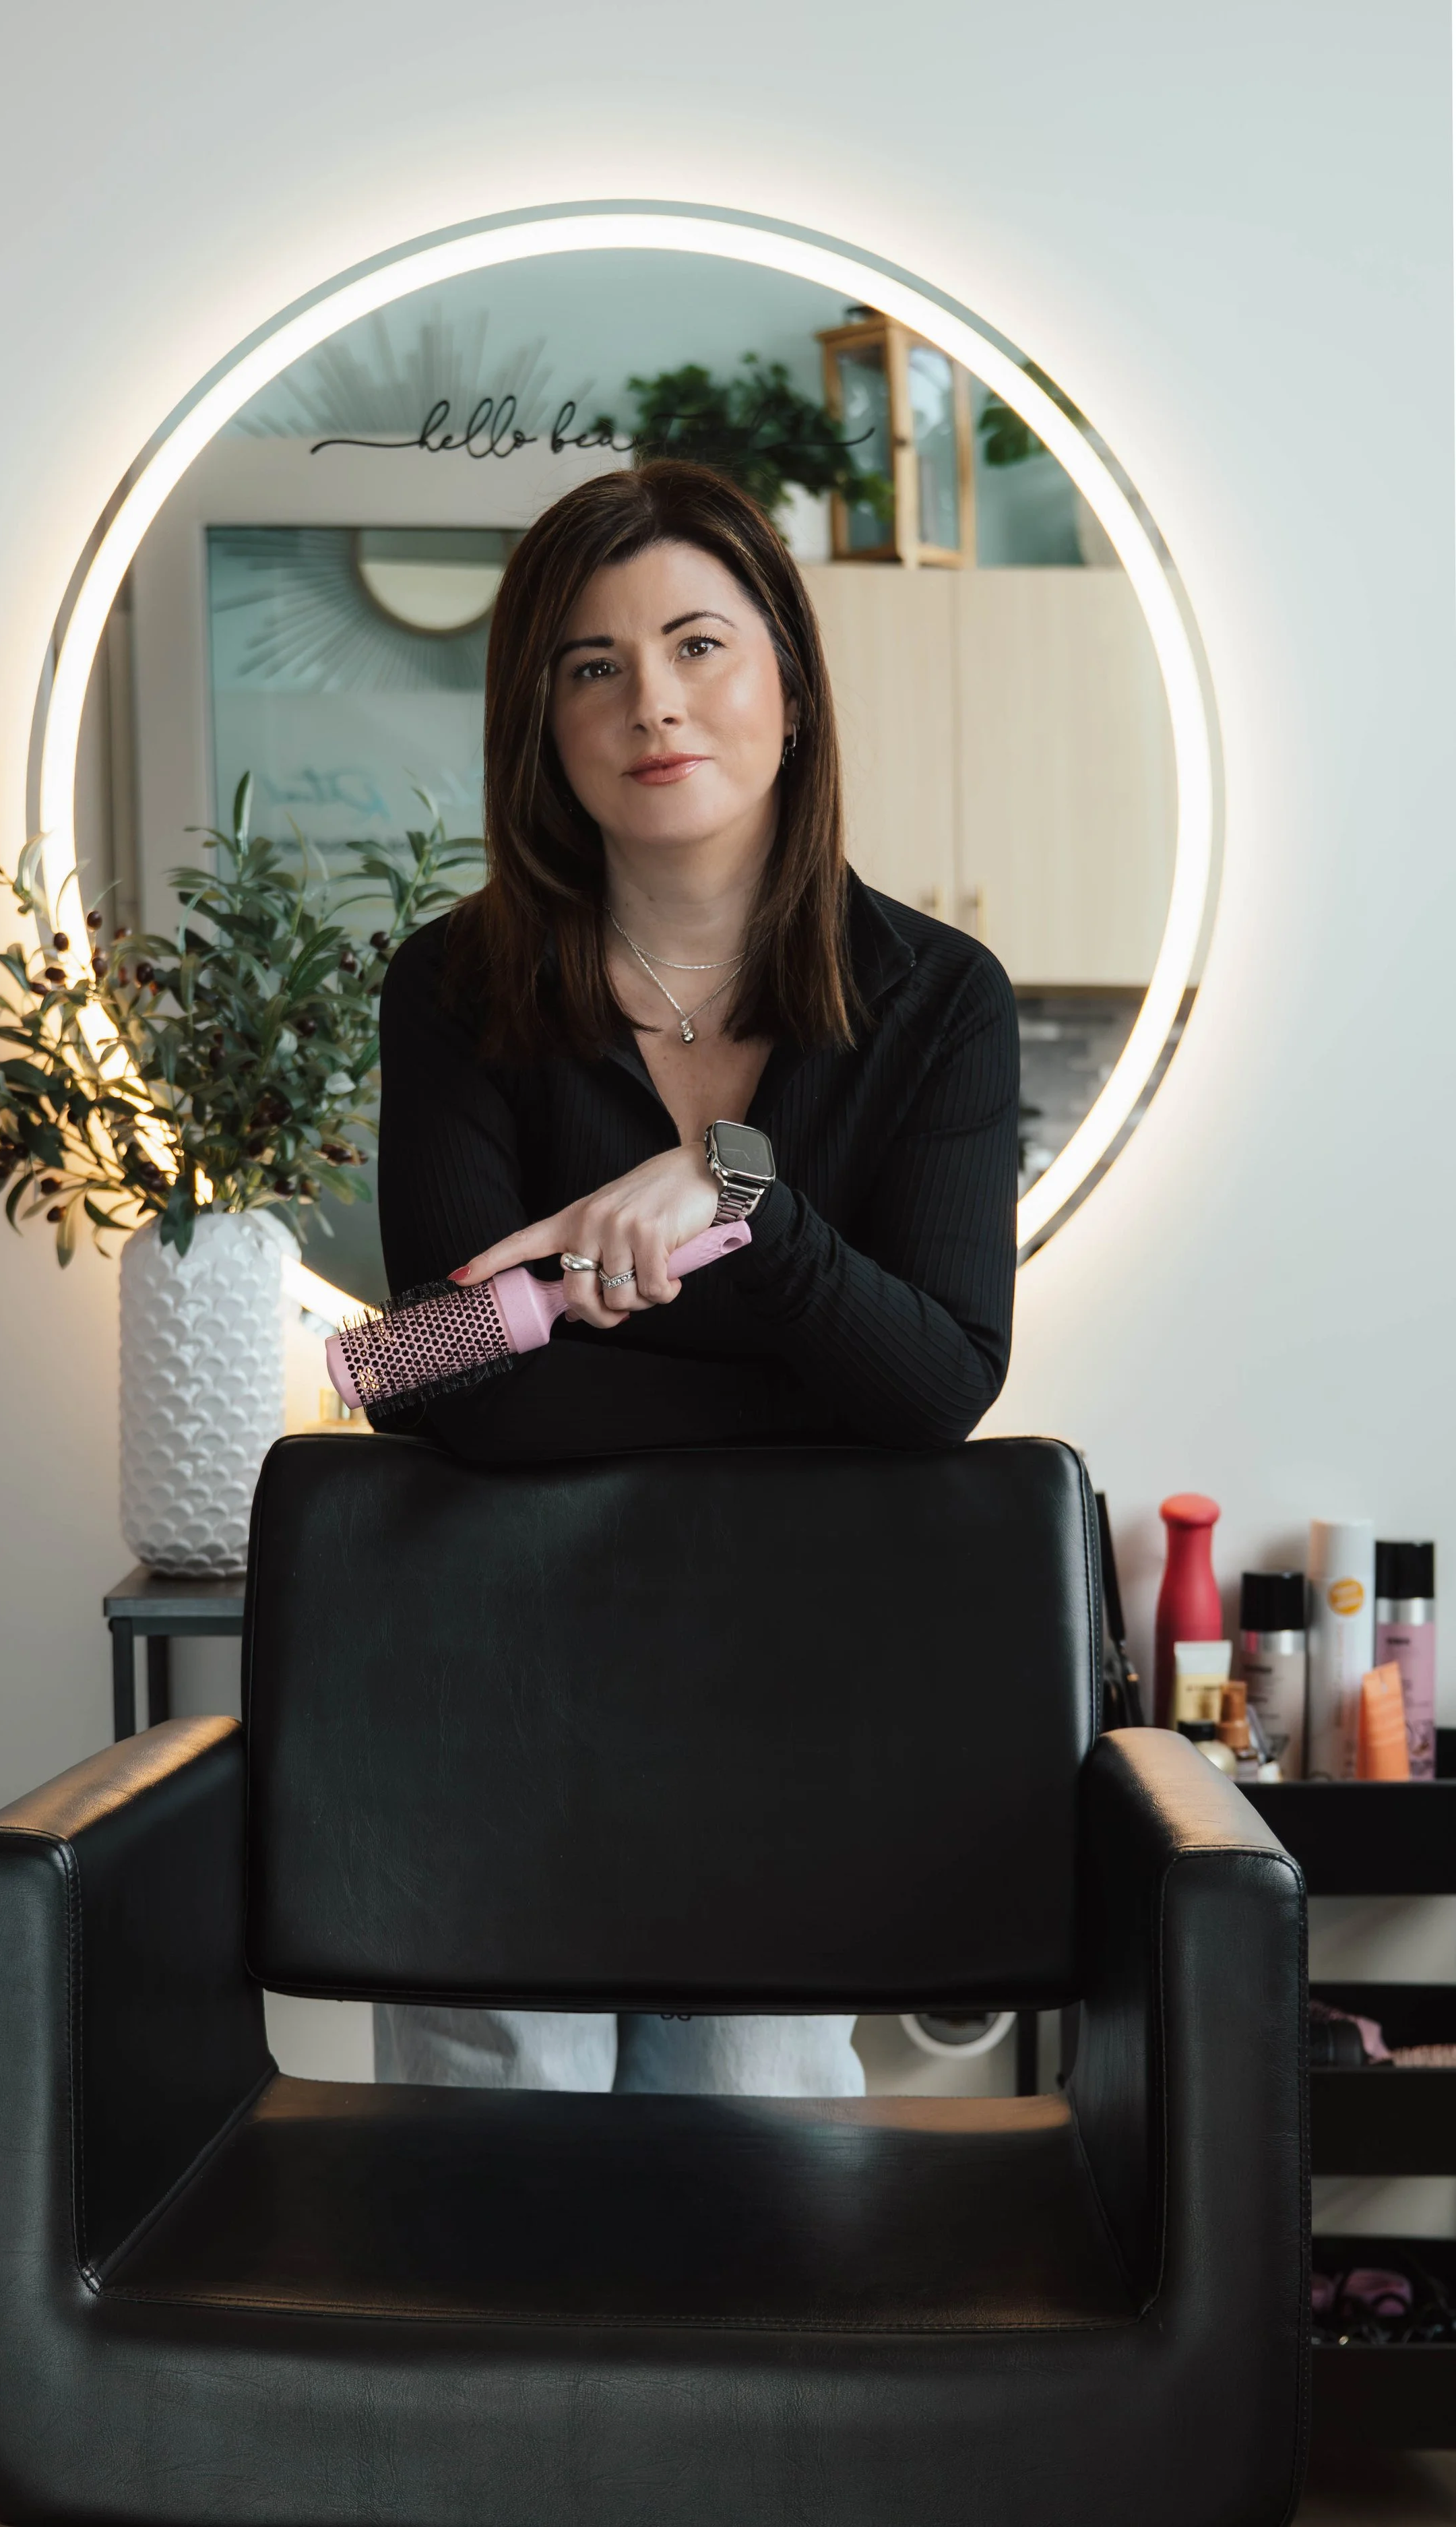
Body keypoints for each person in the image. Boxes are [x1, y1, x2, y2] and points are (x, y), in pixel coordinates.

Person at [368, 459, 1019, 2100]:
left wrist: (743, 1203)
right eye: (590, 666)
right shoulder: (450, 991)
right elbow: (441, 1371)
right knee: (481, 2225)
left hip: (786, 1706)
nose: (650, 702)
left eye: (695, 644)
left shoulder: (935, 1000)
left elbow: (941, 1385)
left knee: (751, 2220)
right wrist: (803, 1382)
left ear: (786, 683)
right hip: (488, 1702)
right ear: (542, 722)